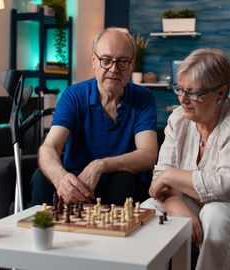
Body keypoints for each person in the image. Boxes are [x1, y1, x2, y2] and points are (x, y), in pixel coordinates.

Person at [31, 27, 158, 206]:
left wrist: (101, 165)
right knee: (41, 178)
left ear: (132, 63)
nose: (114, 69)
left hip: (119, 182)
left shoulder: (144, 99)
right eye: (106, 60)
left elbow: (148, 155)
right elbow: (49, 147)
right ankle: (44, 232)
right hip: (77, 181)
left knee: (124, 180)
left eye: (122, 61)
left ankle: (116, 233)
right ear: (93, 60)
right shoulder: (73, 96)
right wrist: (61, 178)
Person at [141, 48, 230, 270]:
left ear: (221, 93)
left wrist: (172, 176)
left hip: (225, 206)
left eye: (193, 93)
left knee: (215, 215)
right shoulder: (178, 119)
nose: (183, 100)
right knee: (147, 209)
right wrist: (175, 203)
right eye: (179, 89)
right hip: (186, 200)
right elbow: (158, 178)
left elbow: (225, 185)